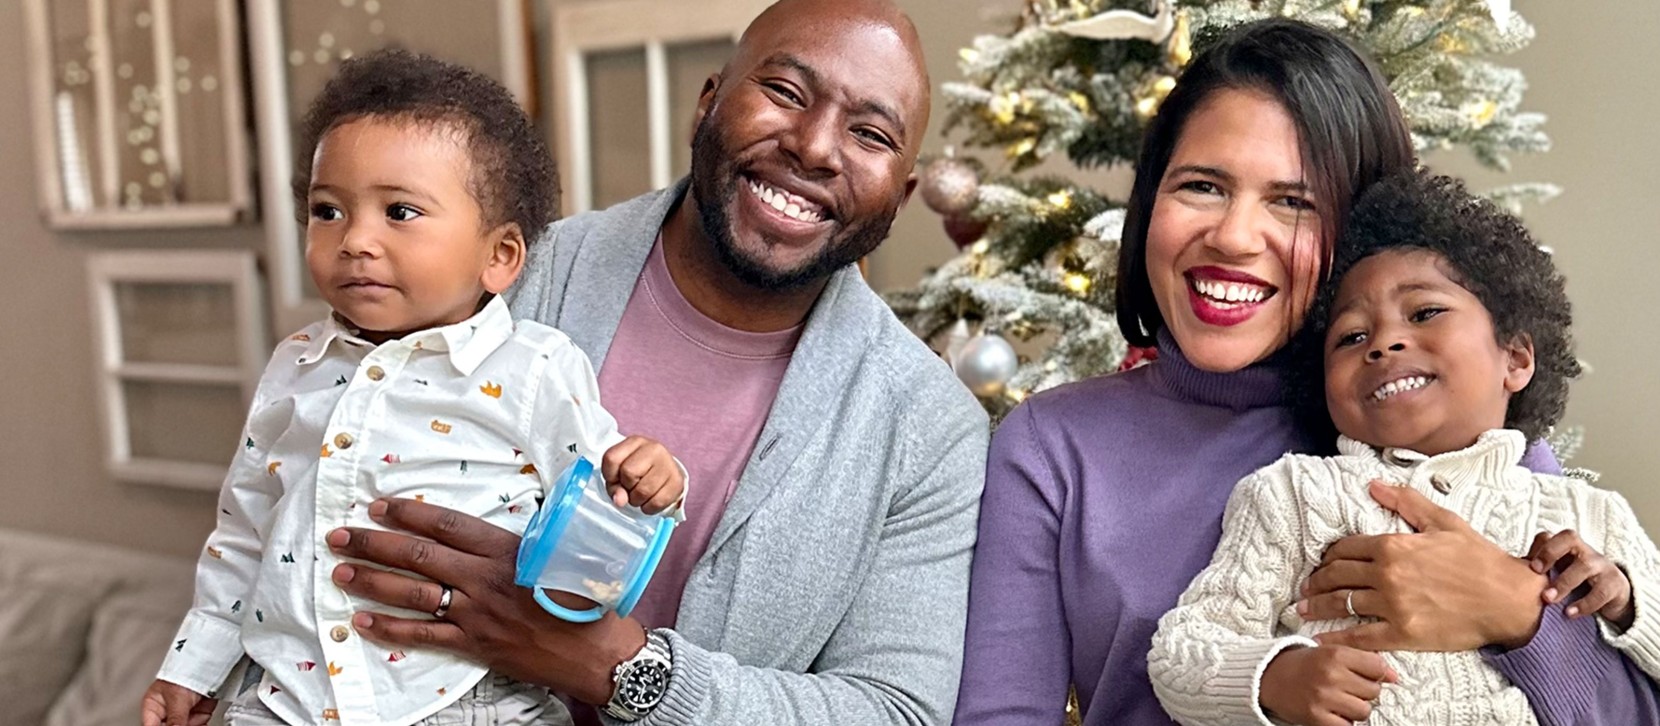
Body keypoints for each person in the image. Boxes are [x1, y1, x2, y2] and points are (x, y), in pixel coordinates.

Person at [954, 17, 1660, 726]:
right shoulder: (1055, 445)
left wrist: (1518, 616)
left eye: (1293, 202)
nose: (1232, 237)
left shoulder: (1447, 435)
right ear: (1150, 199)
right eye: (1201, 185)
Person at [318, 0, 990, 724]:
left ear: (903, 194)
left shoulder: (928, 428)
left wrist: (614, 666)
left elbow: (895, 712)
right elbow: (313, 476)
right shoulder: (507, 277)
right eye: (786, 94)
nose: (817, 147)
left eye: (870, 134)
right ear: (708, 103)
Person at [140, 50, 685, 726]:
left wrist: (651, 484)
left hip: (471, 704)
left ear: (500, 256)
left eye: (400, 212)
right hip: (287, 702)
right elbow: (243, 533)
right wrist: (193, 667)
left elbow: (600, 517)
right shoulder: (295, 366)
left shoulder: (535, 367)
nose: (356, 240)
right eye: (327, 210)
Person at [1148, 169, 1660, 726]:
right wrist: (1273, 677)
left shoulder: (1589, 516)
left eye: (1425, 313)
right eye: (1350, 337)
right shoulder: (1295, 495)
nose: (1385, 342)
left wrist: (1628, 602)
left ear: (1515, 359)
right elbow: (1183, 650)